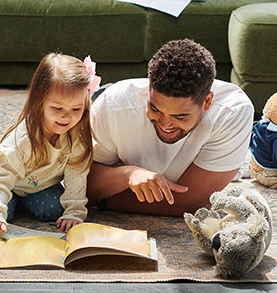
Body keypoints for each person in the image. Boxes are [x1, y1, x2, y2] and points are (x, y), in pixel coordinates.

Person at [86, 39, 254, 216]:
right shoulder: (113, 104)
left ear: (207, 102)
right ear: (148, 89)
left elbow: (187, 202)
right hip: (103, 100)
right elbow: (81, 184)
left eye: (180, 116)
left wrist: (103, 199)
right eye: (154, 109)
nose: (165, 124)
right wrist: (127, 175)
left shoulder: (232, 112)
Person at [0, 53, 101, 241]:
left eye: (76, 109)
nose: (67, 116)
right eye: (57, 108)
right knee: (1, 213)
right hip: (1, 179)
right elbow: (1, 178)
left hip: (39, 185)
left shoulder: (76, 135)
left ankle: (20, 202)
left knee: (56, 210)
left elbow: (76, 174)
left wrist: (74, 212)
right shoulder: (22, 140)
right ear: (39, 100)